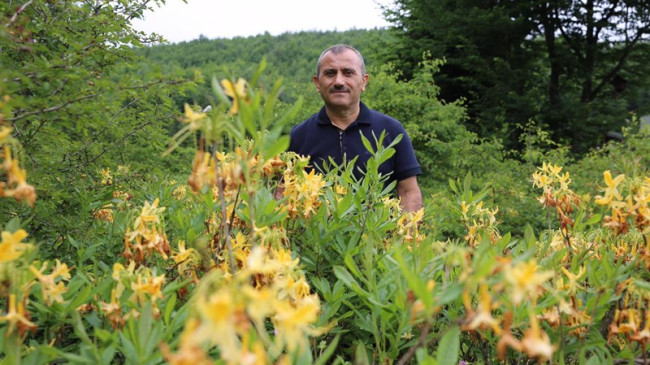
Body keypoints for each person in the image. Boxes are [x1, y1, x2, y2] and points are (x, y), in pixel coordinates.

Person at [287, 44, 423, 212]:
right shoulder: (299, 136)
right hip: (315, 238)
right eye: (330, 73)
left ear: (363, 81)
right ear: (317, 83)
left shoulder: (391, 131)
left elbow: (409, 191)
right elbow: (284, 193)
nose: (338, 81)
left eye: (348, 73)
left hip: (379, 237)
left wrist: (407, 235)